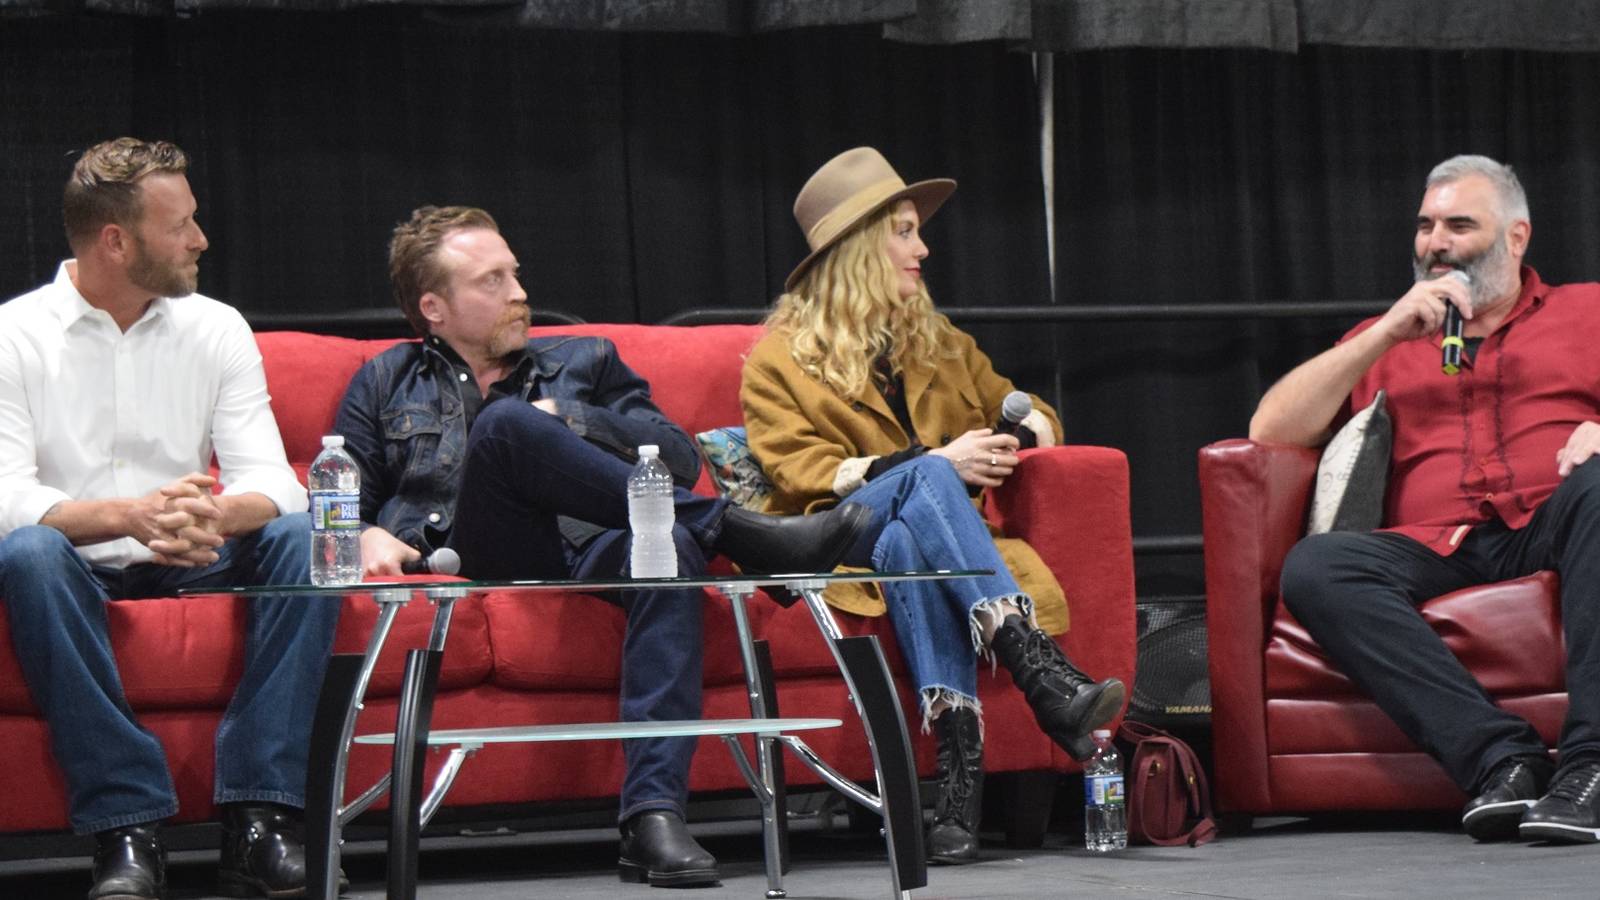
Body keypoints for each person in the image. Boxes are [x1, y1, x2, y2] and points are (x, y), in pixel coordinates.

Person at [333, 205, 874, 888]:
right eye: (492, 281)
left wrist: (577, 418)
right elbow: (332, 503)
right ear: (434, 308)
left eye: (516, 273)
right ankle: (742, 535)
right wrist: (366, 531)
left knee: (672, 540)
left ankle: (653, 818)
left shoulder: (586, 361)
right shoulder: (385, 382)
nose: (519, 292)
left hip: (596, 552)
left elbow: (675, 457)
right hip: (485, 556)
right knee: (504, 429)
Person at [739, 147, 1126, 864]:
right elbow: (797, 475)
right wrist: (936, 465)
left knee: (909, 547)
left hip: (911, 545)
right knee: (926, 478)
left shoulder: (937, 341)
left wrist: (1009, 438)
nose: (924, 247)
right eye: (906, 231)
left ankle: (956, 799)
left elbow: (1034, 411)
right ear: (859, 249)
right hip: (833, 536)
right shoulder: (778, 360)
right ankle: (1037, 669)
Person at [0, 138, 341, 900]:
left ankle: (259, 820)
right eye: (180, 224)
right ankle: (125, 827)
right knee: (27, 552)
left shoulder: (215, 327)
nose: (200, 239)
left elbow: (272, 482)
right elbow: (4, 495)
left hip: (194, 556)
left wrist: (211, 518)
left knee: (302, 537)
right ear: (115, 241)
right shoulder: (12, 336)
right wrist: (129, 515)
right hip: (75, 566)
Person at [1255, 155, 1600, 845]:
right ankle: (1503, 761)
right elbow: (1270, 431)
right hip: (1437, 543)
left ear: (1516, 237)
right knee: (1318, 567)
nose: (1435, 242)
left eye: (1459, 225)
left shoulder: (1587, 311)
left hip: (1557, 516)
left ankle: (1591, 771)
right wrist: (1385, 332)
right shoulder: (1386, 337)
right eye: (1425, 225)